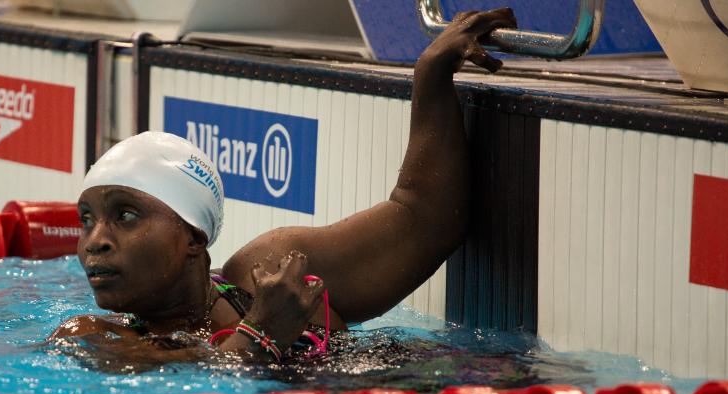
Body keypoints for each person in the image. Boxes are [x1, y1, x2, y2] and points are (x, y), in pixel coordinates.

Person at [50, 9, 518, 362]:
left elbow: (424, 220)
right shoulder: (92, 339)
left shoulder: (275, 271)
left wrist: (431, 75)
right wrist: (263, 334)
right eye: (85, 220)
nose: (95, 243)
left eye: (125, 215)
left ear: (193, 236)